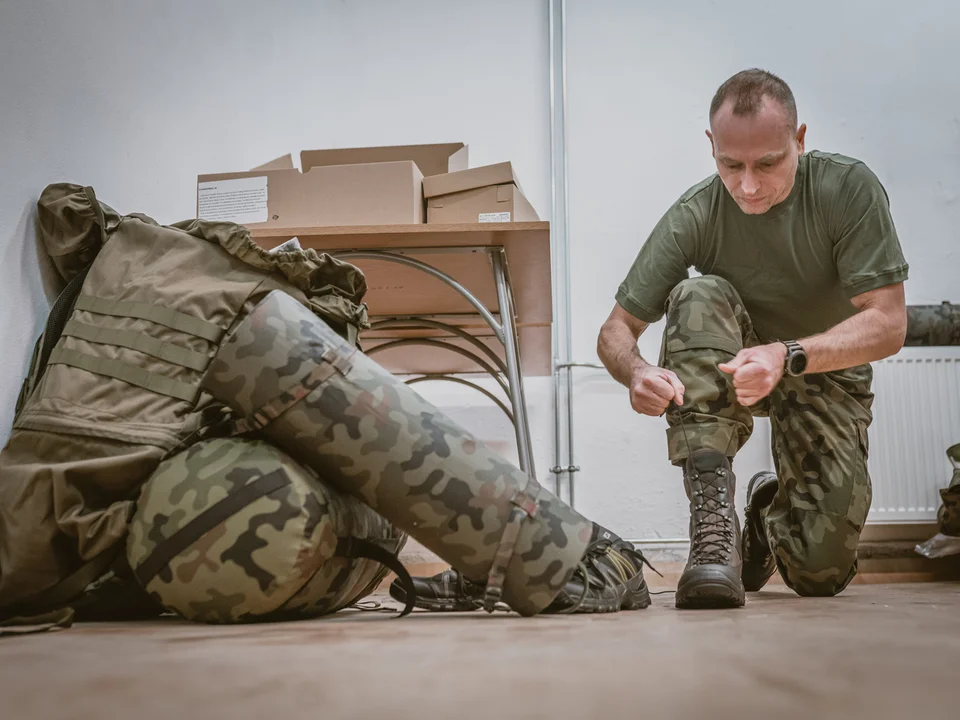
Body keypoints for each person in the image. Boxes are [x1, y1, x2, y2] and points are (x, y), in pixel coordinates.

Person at [596, 68, 909, 609]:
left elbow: (888, 322)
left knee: (820, 573)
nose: (747, 185)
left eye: (768, 163)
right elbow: (615, 331)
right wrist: (638, 372)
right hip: (731, 366)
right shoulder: (696, 212)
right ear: (711, 147)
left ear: (801, 140)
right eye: (729, 164)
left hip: (821, 368)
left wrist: (786, 355)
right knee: (697, 294)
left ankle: (766, 514)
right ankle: (712, 537)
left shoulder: (846, 189)